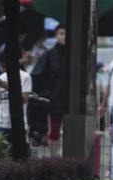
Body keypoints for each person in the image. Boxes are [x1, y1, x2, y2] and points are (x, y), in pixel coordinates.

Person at [0, 45, 32, 143]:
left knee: (19, 153)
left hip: (19, 123)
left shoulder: (25, 77)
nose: (3, 65)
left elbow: (24, 99)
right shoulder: (1, 77)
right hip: (0, 123)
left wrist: (8, 87)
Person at [43, 25, 66, 156]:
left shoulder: (75, 54)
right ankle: (54, 157)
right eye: (61, 33)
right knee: (54, 131)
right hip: (55, 100)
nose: (64, 36)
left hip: (71, 101)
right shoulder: (50, 54)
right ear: (56, 35)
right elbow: (43, 76)